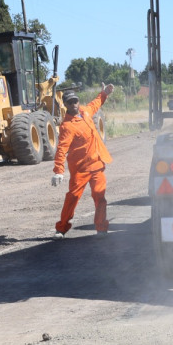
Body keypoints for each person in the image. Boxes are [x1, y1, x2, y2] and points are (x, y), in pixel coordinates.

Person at [51, 85, 115, 239]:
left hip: (97, 166)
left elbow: (96, 103)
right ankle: (61, 228)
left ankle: (101, 228)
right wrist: (58, 171)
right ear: (65, 105)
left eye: (75, 101)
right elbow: (61, 149)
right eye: (70, 102)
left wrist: (104, 93)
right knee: (72, 198)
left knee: (100, 197)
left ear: (78, 102)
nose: (73, 104)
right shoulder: (67, 126)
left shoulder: (85, 112)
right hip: (80, 169)